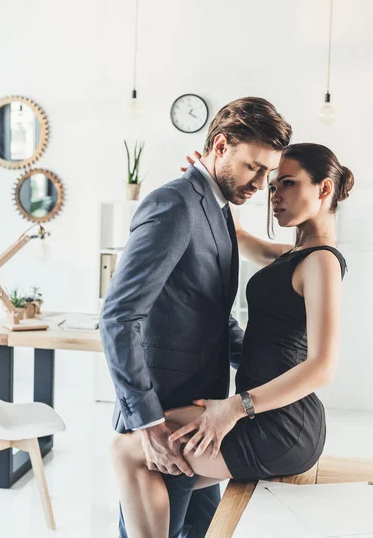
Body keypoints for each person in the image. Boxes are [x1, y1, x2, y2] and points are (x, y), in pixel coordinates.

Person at [107, 142, 354, 538]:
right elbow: (237, 234)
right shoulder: (296, 255)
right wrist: (207, 181)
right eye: (273, 186)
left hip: (279, 423)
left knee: (128, 450)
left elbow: (323, 367)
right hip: (271, 417)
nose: (274, 196)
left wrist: (234, 408)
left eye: (287, 184)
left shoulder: (322, 260)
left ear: (324, 190)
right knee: (163, 467)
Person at [99, 97, 292, 538]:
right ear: (220, 145)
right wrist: (146, 423)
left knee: (203, 529)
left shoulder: (219, 209)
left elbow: (211, 315)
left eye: (269, 173)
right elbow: (119, 315)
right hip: (163, 416)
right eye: (254, 168)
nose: (261, 184)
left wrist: (273, 380)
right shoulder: (175, 204)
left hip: (202, 414)